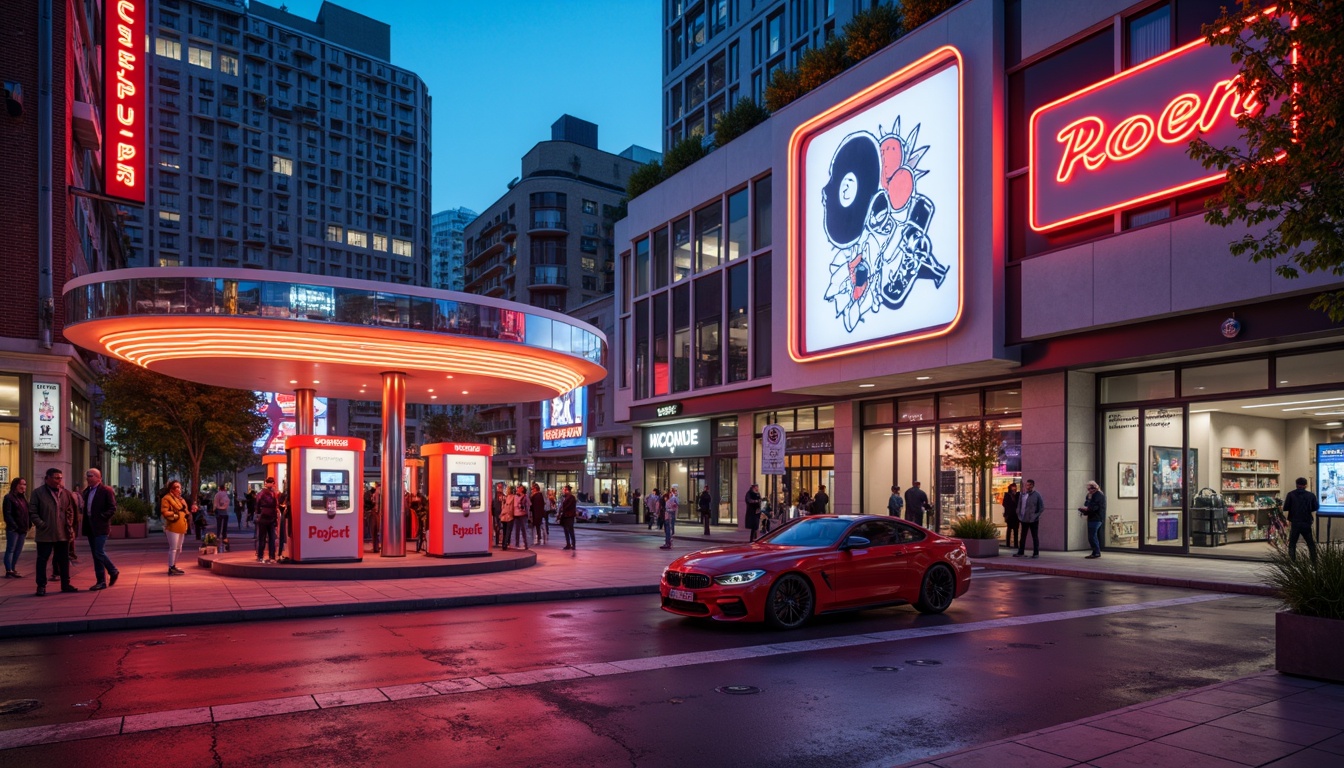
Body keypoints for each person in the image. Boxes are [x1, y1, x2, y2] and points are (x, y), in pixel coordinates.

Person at [32, 468, 80, 595]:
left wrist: (69, 524)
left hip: (62, 533)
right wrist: (41, 524)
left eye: (60, 478)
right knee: (42, 559)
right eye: (56, 478)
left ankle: (66, 584)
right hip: (45, 534)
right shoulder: (38, 493)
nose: (59, 480)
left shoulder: (65, 493)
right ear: (47, 478)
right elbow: (33, 512)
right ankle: (41, 586)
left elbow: (70, 510)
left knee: (63, 560)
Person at [81, 468, 120, 590]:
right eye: (87, 476)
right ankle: (101, 581)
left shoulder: (106, 490)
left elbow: (112, 507)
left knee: (99, 552)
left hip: (101, 526)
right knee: (95, 555)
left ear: (99, 478)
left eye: (91, 476)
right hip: (90, 526)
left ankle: (113, 571)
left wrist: (102, 517)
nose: (88, 478)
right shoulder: (87, 491)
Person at [1282, 476, 1320, 564]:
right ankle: (1313, 560)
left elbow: (1286, 507)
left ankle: (1292, 561)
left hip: (1295, 522)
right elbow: (1316, 507)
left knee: (1292, 543)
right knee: (1310, 543)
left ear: (1296, 485)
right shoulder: (1311, 495)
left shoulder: (1290, 494)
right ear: (1306, 485)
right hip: (1306, 521)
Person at [160, 480, 193, 575]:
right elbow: (165, 512)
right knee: (173, 547)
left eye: (180, 487)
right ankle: (171, 567)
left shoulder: (180, 499)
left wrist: (188, 513)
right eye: (177, 487)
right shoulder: (167, 498)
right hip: (172, 526)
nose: (179, 489)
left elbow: (186, 511)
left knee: (179, 548)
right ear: (172, 489)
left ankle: (174, 565)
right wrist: (175, 515)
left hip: (182, 525)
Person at [4, 478, 30, 579]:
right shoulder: (9, 498)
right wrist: (14, 526)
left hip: (23, 529)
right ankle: (8, 570)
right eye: (21, 484)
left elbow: (27, 513)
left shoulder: (23, 498)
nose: (23, 487)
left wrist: (29, 524)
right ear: (15, 485)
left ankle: (13, 569)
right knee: (10, 549)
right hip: (13, 529)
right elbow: (7, 514)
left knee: (18, 550)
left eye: (25, 484)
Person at [1014, 479, 1044, 559]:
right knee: (1023, 536)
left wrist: (1035, 516)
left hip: (1033, 520)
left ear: (1032, 485)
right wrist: (1019, 514)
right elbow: (1019, 505)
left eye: (1029, 485)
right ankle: (1021, 552)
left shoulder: (1037, 495)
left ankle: (1036, 553)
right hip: (1024, 519)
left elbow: (1041, 507)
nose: (1027, 487)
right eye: (1026, 485)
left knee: (1035, 536)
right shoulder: (1023, 495)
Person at [254, 477, 279, 564]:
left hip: (264, 516)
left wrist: (257, 514)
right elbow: (274, 505)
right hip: (269, 517)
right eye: (272, 483)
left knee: (263, 538)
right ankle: (270, 556)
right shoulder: (271, 493)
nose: (273, 485)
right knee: (270, 538)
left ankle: (261, 556)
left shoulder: (262, 493)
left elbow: (257, 505)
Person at [1079, 480, 1106, 559]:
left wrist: (1086, 509)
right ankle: (1095, 551)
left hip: (1096, 518)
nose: (1089, 491)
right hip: (1093, 517)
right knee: (1092, 536)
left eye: (1090, 489)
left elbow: (1094, 507)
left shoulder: (1098, 495)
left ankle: (1096, 552)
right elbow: (1087, 504)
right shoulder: (1092, 495)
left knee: (1092, 536)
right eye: (1088, 489)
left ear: (1094, 488)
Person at [1001, 483, 1021, 549]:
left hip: (1016, 515)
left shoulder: (1018, 494)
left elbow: (1019, 503)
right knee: (1009, 528)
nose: (1014, 488)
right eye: (1013, 487)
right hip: (1009, 514)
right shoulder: (1007, 495)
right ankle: (1008, 543)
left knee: (1016, 529)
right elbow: (1004, 504)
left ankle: (1016, 544)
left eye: (1015, 487)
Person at [558, 484, 578, 550]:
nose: (563, 491)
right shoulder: (565, 498)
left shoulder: (571, 497)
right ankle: (568, 544)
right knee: (566, 530)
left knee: (570, 530)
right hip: (566, 516)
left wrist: (562, 509)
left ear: (568, 490)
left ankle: (573, 544)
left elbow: (568, 506)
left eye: (565, 490)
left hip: (569, 516)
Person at [512, 485, 531, 550]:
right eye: (518, 488)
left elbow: (529, 505)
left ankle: (526, 544)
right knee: (517, 530)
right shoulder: (515, 496)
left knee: (523, 530)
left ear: (522, 489)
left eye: (519, 488)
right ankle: (517, 543)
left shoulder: (525, 497)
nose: (518, 489)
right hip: (516, 515)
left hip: (523, 515)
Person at [660, 485, 679, 549]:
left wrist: (667, 510)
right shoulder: (671, 499)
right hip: (668, 516)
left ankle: (668, 543)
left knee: (668, 530)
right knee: (667, 529)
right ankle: (668, 542)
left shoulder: (672, 499)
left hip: (669, 516)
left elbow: (674, 508)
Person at [491, 482, 506, 549]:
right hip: (496, 513)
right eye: (498, 487)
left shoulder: (503, 496)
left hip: (501, 513)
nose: (499, 488)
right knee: (496, 527)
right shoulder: (495, 496)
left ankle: (501, 541)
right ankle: (497, 541)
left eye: (500, 487)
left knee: (500, 528)